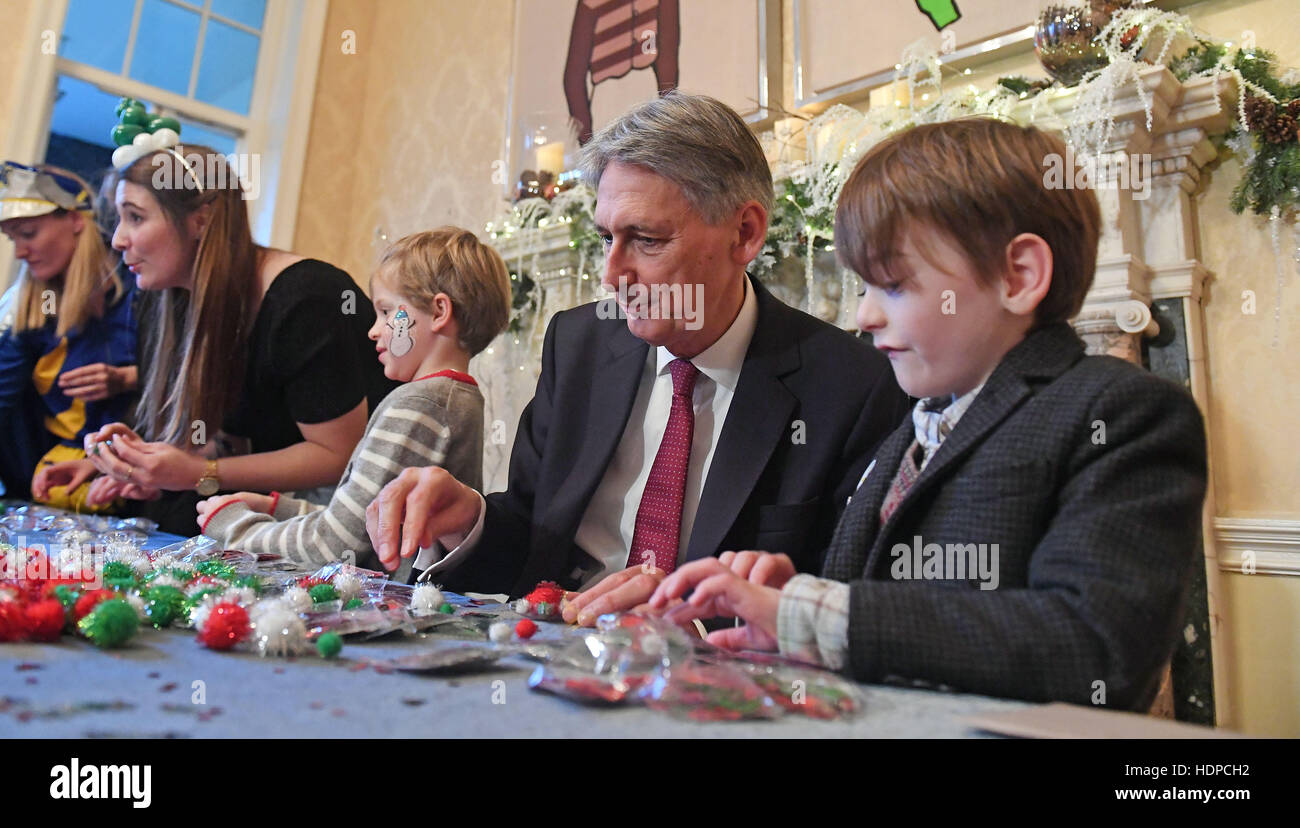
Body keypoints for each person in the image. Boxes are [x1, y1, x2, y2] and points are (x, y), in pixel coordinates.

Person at [646, 118, 1208, 711]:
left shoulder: (1124, 414)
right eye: (863, 288)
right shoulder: (912, 425)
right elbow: (893, 614)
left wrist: (824, 615)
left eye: (892, 285)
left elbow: (1094, 647)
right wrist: (796, 603)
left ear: (1019, 276)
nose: (864, 317)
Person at [365, 92, 909, 611]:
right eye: (605, 238)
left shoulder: (849, 384)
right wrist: (471, 520)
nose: (610, 275)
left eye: (646, 240)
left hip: (712, 685)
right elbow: (533, 534)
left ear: (744, 233)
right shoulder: (578, 345)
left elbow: (840, 602)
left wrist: (686, 618)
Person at [80, 122, 396, 535]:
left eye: (135, 217)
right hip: (245, 516)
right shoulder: (168, 298)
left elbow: (337, 457)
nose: (118, 239)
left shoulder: (307, 299)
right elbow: (232, 437)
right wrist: (137, 464)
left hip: (333, 532)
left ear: (202, 220)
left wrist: (197, 472)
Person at [196, 228, 509, 574]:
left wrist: (233, 527)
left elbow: (333, 546)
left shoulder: (418, 405)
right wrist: (277, 508)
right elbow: (358, 521)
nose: (373, 330)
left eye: (387, 312)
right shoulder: (456, 399)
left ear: (438, 312)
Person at [0, 162, 138, 509]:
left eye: (28, 233)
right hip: (53, 474)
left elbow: (194, 378)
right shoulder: (34, 307)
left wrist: (131, 378)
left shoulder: (144, 286)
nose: (19, 251)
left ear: (76, 220)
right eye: (12, 238)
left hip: (147, 472)